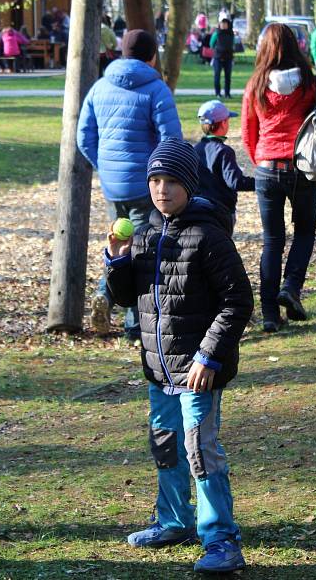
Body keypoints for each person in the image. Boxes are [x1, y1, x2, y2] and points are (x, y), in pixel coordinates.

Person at [104, 137, 252, 574]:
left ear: (189, 183)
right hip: (158, 368)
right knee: (165, 445)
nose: (161, 189)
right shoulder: (147, 233)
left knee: (200, 450)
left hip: (197, 372)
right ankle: (173, 520)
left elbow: (237, 302)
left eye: (171, 180)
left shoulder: (208, 235)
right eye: (155, 179)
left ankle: (221, 538)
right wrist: (116, 262)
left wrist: (208, 356)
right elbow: (126, 297)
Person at [76, 29, 182, 339]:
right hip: (144, 185)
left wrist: (104, 166)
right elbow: (171, 139)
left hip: (112, 185)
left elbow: (84, 136)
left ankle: (109, 298)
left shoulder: (100, 87)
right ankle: (132, 321)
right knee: (142, 250)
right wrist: (161, 176)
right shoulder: (156, 89)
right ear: (152, 56)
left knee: (119, 242)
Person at [241, 23, 316, 332]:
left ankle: (269, 315)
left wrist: (260, 161)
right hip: (302, 166)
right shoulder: (309, 84)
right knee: (304, 232)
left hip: (266, 166)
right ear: (296, 46)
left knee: (272, 241)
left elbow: (248, 132)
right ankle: (291, 286)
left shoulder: (256, 85)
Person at [193, 100, 254, 224]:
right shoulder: (224, 151)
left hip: (198, 207)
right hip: (221, 210)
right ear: (224, 123)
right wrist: (260, 183)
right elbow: (235, 182)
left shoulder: (195, 149)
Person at [210, 16, 235, 99]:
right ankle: (218, 93)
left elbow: (233, 44)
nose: (223, 25)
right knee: (217, 76)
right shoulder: (217, 33)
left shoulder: (231, 34)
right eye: (222, 24)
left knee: (228, 77)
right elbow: (211, 44)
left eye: (225, 24)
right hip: (218, 57)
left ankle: (227, 94)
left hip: (228, 58)